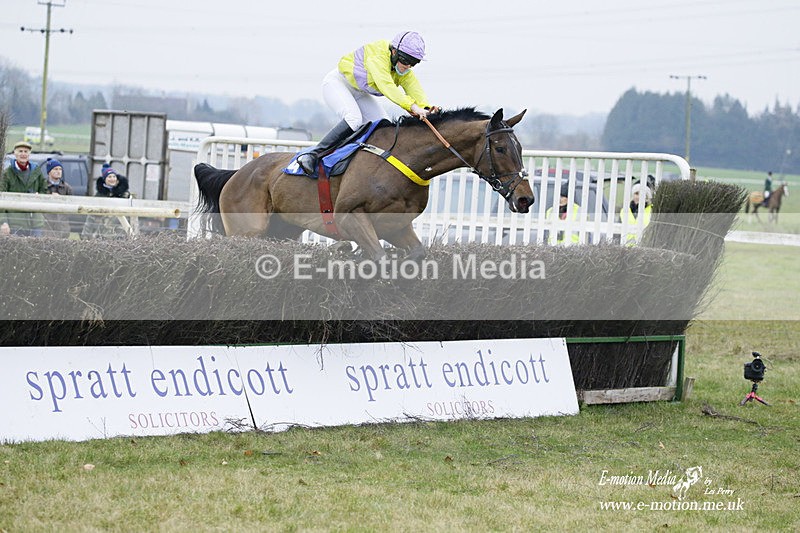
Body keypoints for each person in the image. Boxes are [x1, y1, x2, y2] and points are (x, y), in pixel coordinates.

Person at [296, 31, 438, 175]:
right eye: (406, 60)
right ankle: (312, 155)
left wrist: (426, 108)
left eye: (413, 63)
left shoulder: (403, 69)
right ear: (394, 51)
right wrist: (413, 107)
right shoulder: (378, 57)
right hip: (337, 84)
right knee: (354, 119)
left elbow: (415, 89)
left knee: (384, 125)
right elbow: (387, 87)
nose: (408, 66)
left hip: (359, 92)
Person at [0, 140, 47, 236]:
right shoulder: (7, 173)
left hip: (35, 222)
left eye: (26, 151)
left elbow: (44, 189)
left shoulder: (36, 171)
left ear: (29, 154)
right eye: (20, 151)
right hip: (15, 223)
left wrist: (40, 196)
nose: (23, 154)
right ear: (15, 153)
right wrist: (3, 222)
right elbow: (1, 198)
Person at [81, 165, 131, 240]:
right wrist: (85, 234)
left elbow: (130, 215)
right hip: (103, 233)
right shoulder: (99, 195)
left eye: (114, 176)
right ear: (105, 179)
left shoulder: (124, 194)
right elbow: (91, 216)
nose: (112, 179)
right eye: (109, 177)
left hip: (121, 233)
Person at [42, 158, 75, 238]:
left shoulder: (67, 188)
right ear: (49, 171)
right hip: (47, 226)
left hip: (63, 227)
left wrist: (61, 199)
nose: (58, 171)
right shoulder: (42, 186)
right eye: (55, 169)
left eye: (60, 169)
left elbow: (72, 207)